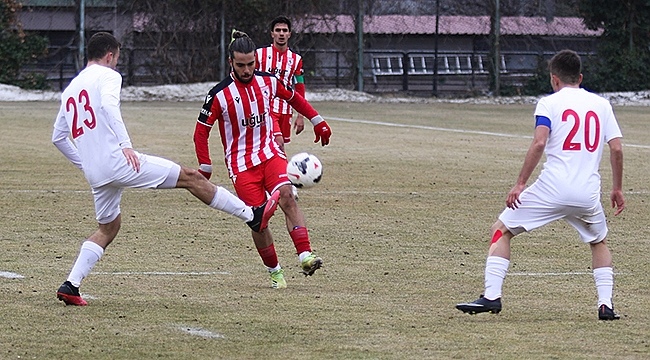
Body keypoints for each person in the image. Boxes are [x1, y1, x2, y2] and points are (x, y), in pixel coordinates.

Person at [52, 32, 279, 306]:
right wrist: (126, 145)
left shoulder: (71, 89)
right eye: (117, 58)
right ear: (110, 55)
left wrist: (84, 164)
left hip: (97, 173)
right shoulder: (108, 76)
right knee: (191, 178)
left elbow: (59, 137)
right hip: (120, 162)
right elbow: (109, 106)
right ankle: (251, 215)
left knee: (108, 227)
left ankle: (71, 285)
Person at [455, 49, 625, 321]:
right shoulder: (602, 105)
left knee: (501, 229)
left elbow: (539, 142)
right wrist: (617, 188)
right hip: (587, 194)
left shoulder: (549, 103)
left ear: (554, 79)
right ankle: (605, 305)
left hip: (551, 189)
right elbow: (616, 149)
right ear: (579, 77)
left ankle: (491, 296)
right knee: (599, 241)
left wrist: (520, 183)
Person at [193, 31, 332, 289]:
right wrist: (206, 166)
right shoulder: (218, 94)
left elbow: (294, 98)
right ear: (231, 63)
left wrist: (317, 120)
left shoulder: (268, 82)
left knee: (287, 196)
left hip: (270, 154)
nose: (247, 70)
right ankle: (275, 271)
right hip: (241, 165)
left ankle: (305, 255)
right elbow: (201, 131)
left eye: (251, 64)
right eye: (241, 65)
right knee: (258, 221)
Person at [255, 15, 305, 153]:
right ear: (272, 33)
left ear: (289, 34)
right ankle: (285, 174)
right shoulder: (259, 55)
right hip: (265, 109)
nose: (281, 33)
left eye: (284, 30)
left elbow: (299, 87)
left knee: (276, 148)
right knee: (278, 145)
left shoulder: (296, 60)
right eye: (278, 30)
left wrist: (300, 115)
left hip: (285, 110)